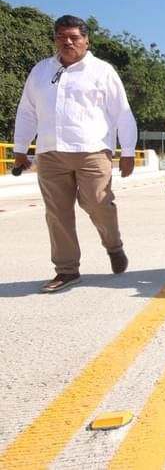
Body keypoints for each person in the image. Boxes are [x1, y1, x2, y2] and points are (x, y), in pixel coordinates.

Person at [13, 15, 137, 293]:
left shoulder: (102, 71)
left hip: (92, 150)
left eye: (73, 37)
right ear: (55, 39)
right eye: (61, 36)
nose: (67, 42)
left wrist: (127, 150)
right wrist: (20, 147)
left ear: (86, 40)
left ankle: (113, 245)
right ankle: (66, 270)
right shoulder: (41, 71)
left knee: (97, 202)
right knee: (57, 213)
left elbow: (122, 112)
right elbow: (27, 111)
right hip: (50, 152)